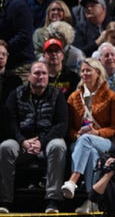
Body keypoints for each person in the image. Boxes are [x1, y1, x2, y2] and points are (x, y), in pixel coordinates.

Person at [0, 62, 68, 213]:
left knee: (58, 145)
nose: (41, 77)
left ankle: (53, 200)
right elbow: (10, 123)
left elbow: (61, 125)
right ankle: (5, 201)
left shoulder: (57, 95)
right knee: (5, 147)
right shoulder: (16, 94)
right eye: (37, 73)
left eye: (44, 73)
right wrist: (22, 141)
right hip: (22, 142)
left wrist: (42, 143)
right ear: (29, 76)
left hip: (47, 141)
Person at [62, 58, 115, 213]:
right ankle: (92, 200)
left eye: (88, 70)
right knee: (90, 150)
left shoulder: (110, 96)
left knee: (87, 140)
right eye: (82, 70)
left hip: (106, 141)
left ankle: (73, 180)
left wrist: (97, 133)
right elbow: (68, 128)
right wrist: (77, 134)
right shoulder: (74, 97)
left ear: (98, 73)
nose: (85, 73)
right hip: (80, 142)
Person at [0, 0, 35, 81]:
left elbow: (24, 35)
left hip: (20, 68)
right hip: (6, 65)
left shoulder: (18, 6)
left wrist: (4, 47)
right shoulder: (4, 4)